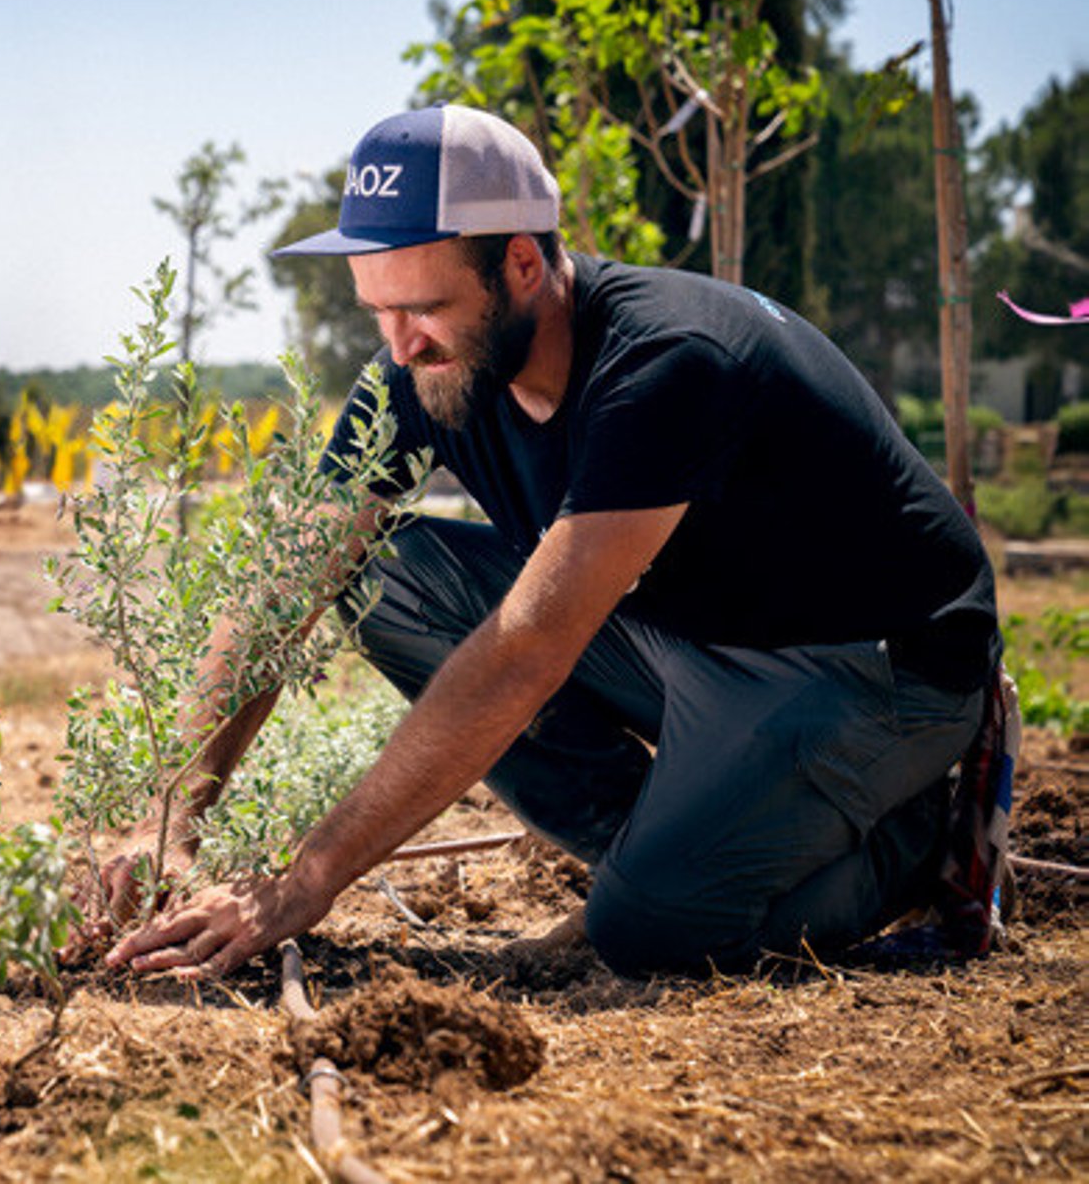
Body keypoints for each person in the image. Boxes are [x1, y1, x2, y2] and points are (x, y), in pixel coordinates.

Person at [101, 103, 1001, 980]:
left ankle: (913, 840)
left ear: (523, 263)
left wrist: (302, 883)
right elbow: (285, 580)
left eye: (422, 308)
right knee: (375, 571)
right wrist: (169, 817)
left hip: (868, 663)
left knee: (647, 932)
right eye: (377, 311)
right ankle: (663, 846)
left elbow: (525, 651)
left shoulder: (664, 360)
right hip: (689, 624)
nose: (400, 345)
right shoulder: (418, 368)